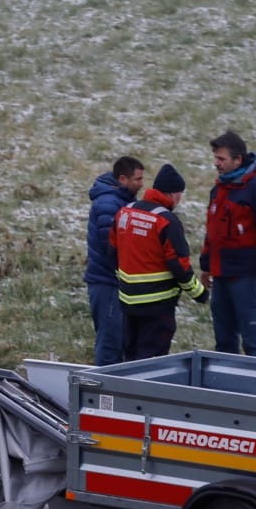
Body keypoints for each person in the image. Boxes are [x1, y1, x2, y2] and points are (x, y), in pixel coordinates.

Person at [198, 130, 256, 358]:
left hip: (248, 278)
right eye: (216, 158)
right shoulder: (218, 190)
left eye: (222, 159)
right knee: (224, 342)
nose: (216, 163)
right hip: (221, 277)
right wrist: (206, 266)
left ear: (238, 160)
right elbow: (212, 233)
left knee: (252, 344)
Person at [112, 163, 207, 361]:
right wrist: (200, 293)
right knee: (151, 361)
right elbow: (179, 267)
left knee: (130, 356)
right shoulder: (166, 221)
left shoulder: (125, 212)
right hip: (157, 305)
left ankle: (126, 391)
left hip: (127, 301)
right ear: (173, 194)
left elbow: (111, 251)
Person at [83, 156, 144, 365]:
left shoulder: (120, 200)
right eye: (137, 179)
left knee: (117, 341)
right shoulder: (109, 203)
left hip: (112, 281)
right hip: (107, 282)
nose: (141, 183)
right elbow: (111, 244)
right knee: (110, 344)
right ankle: (104, 391)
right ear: (123, 179)